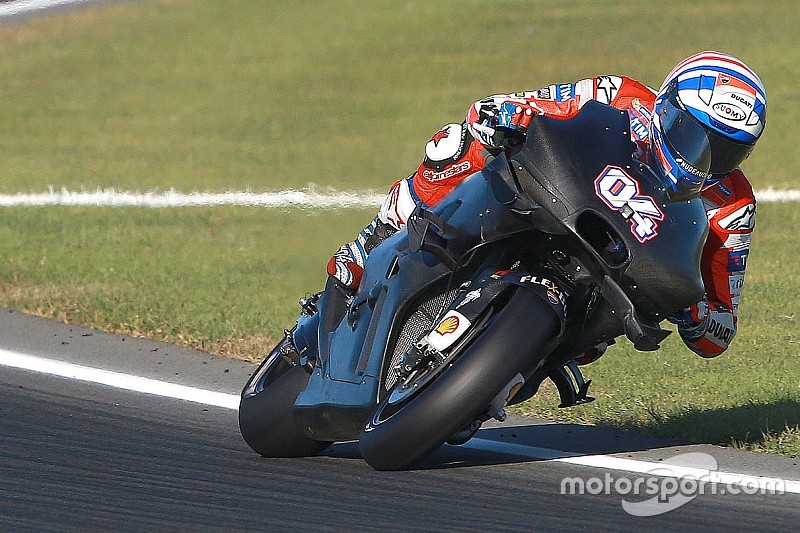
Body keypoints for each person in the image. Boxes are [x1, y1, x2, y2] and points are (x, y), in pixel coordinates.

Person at [327, 51, 766, 360]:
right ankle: (375, 241)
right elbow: (528, 106)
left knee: (593, 345)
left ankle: (517, 363)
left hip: (610, 282)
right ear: (666, 107)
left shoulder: (734, 204)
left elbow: (720, 331)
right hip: (554, 201)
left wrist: (696, 312)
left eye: (726, 153)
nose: (701, 162)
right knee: (453, 144)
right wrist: (506, 114)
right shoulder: (619, 94)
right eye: (694, 137)